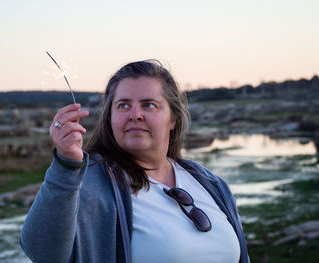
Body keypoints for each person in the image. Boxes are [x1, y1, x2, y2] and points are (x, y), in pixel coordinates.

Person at [20, 60, 249, 263]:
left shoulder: (211, 184)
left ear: (173, 119)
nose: (135, 114)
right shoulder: (89, 184)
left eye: (149, 105)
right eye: (123, 105)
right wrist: (66, 165)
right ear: (110, 118)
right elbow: (42, 252)